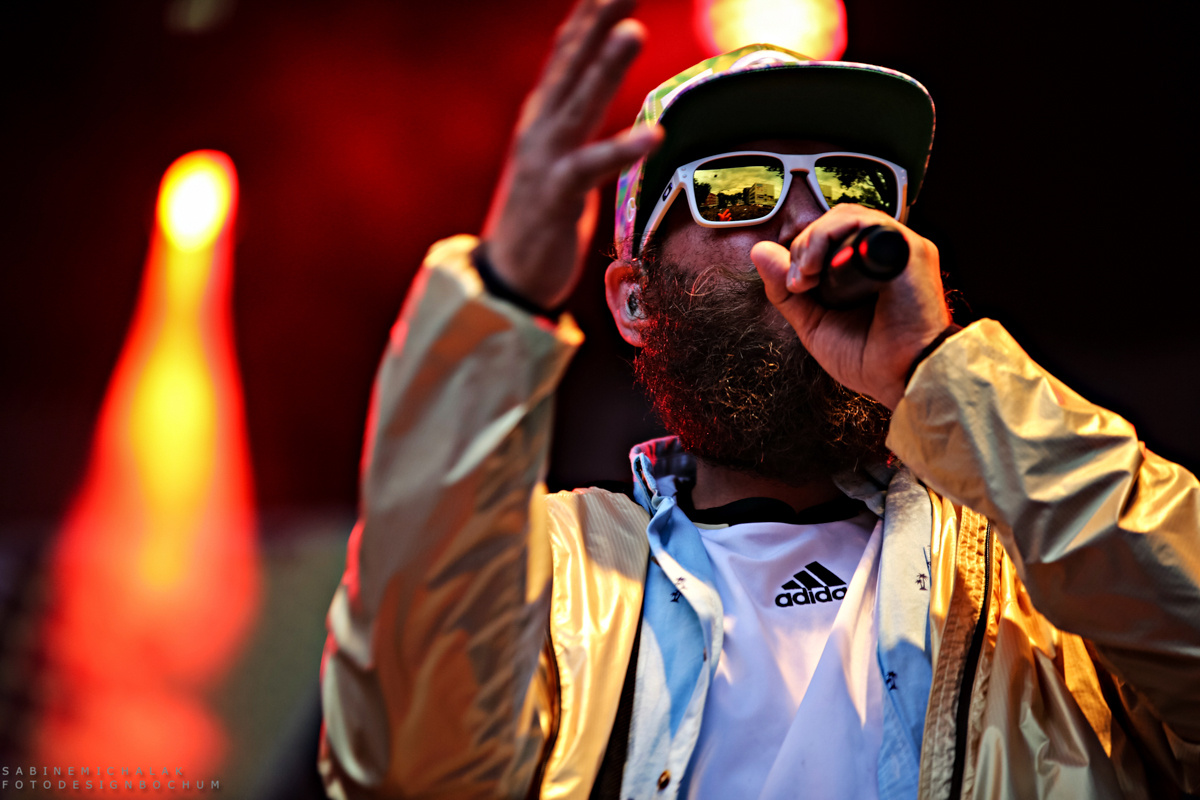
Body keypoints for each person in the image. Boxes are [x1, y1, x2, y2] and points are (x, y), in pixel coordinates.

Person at [317, 0, 1200, 797]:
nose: (807, 221)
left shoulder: (1042, 582)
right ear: (635, 299)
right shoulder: (549, 572)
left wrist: (941, 374)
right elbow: (406, 766)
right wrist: (501, 299)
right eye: (739, 189)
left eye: (852, 184)